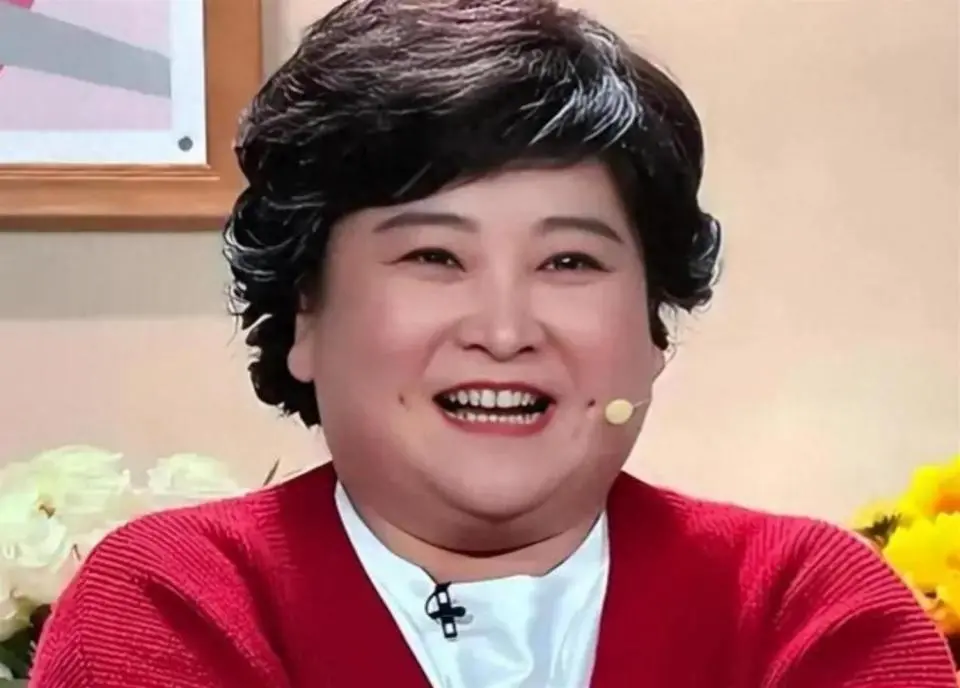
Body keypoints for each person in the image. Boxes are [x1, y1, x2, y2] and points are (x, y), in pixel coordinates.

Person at [30, 1, 956, 686]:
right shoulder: (170, 606)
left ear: (652, 329)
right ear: (305, 313)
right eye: (434, 256)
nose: (506, 332)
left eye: (569, 261)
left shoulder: (803, 608)